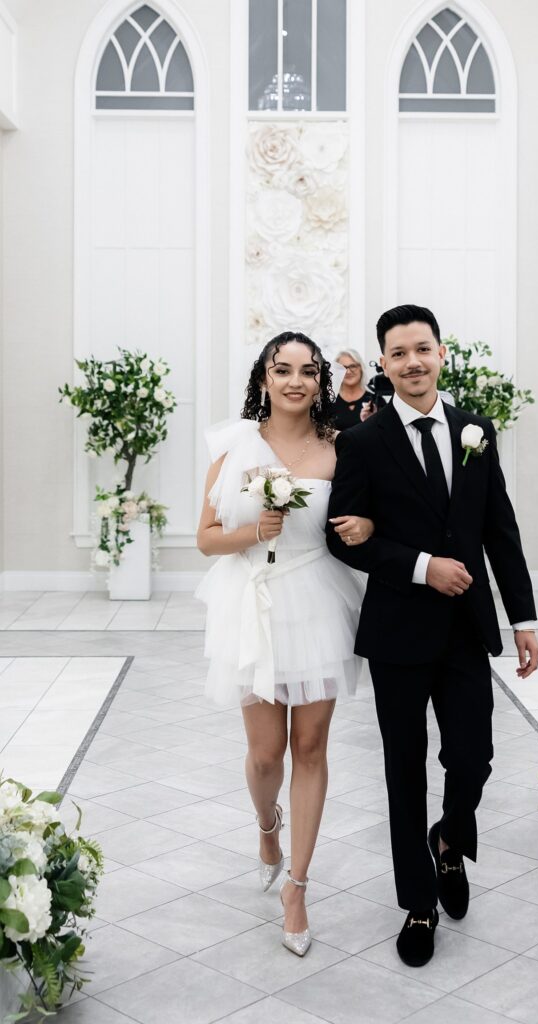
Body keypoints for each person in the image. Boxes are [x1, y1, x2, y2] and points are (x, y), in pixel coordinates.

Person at [326, 304, 538, 968]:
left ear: (441, 354)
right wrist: (421, 567)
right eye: (398, 352)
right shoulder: (360, 444)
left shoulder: (476, 429)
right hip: (396, 630)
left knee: (472, 756)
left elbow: (497, 528)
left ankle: (448, 839)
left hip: (466, 630)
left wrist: (524, 617)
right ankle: (417, 905)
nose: (412, 362)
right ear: (383, 364)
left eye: (423, 348)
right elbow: (345, 537)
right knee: (402, 771)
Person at [196, 331, 373, 958]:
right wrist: (252, 529)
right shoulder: (235, 445)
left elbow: (365, 511)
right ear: (264, 377)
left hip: (317, 600)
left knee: (311, 745)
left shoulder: (339, 448)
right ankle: (267, 828)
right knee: (267, 754)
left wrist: (369, 523)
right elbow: (206, 538)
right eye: (282, 369)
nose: (295, 380)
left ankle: (297, 886)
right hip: (254, 602)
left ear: (320, 380)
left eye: (307, 370)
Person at [332, 348, 374, 429]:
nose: (348, 371)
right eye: (343, 367)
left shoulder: (375, 401)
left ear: (361, 368)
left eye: (353, 366)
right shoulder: (328, 402)